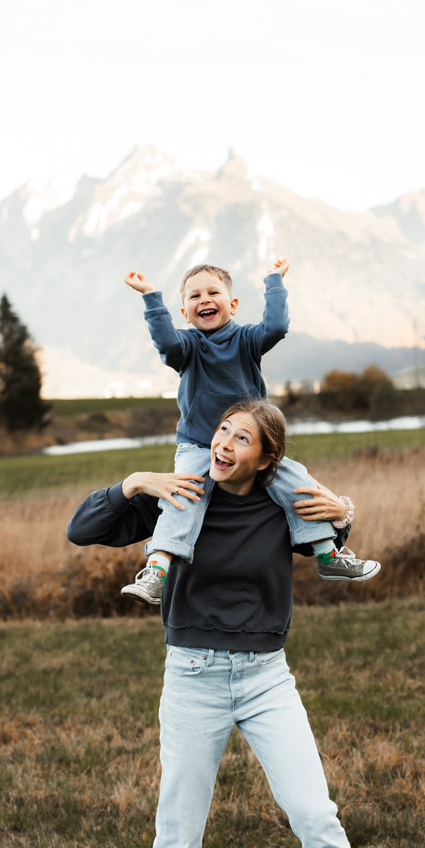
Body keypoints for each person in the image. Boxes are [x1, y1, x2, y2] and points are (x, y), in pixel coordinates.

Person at [67, 399, 363, 848]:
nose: (223, 444)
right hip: (193, 678)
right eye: (222, 430)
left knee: (316, 816)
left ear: (267, 460)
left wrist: (344, 511)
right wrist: (134, 483)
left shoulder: (282, 504)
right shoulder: (180, 496)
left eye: (241, 438)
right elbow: (81, 529)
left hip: (267, 679)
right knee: (179, 837)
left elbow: (331, 537)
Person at [121, 259, 380, 604]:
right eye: (194, 296)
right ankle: (157, 571)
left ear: (233, 304)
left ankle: (328, 555)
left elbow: (276, 327)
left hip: (251, 445)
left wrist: (274, 281)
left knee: (299, 483)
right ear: (184, 313)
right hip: (198, 446)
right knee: (182, 496)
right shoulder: (187, 347)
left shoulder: (246, 340)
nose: (204, 299)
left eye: (213, 292)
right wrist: (151, 296)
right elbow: (166, 343)